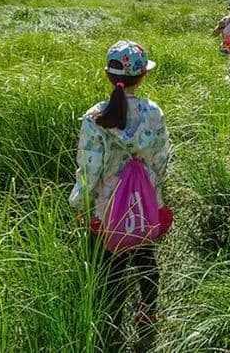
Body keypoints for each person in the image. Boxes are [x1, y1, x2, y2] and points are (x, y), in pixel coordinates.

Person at [69, 40, 171, 352]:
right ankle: (148, 313)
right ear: (142, 77)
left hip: (105, 208)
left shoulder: (95, 117)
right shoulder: (153, 113)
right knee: (144, 258)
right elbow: (162, 159)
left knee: (110, 267)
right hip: (144, 203)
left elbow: (89, 168)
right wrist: (158, 195)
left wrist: (80, 204)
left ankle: (112, 326)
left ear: (107, 75)